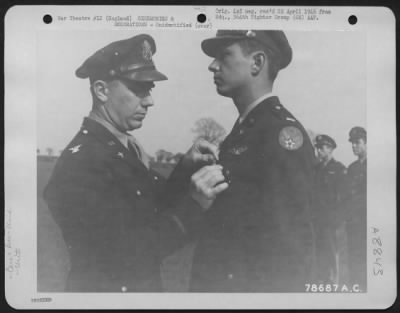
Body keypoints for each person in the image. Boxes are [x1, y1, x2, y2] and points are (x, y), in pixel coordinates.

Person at [43, 34, 227, 292]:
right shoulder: (83, 163)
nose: (150, 100)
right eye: (138, 89)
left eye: (149, 89)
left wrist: (186, 166)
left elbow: (152, 204)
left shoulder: (119, 149)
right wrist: (195, 205)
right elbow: (131, 253)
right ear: (102, 91)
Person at [187, 30, 316, 292]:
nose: (213, 65)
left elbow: (289, 252)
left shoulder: (279, 134)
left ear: (257, 63)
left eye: (224, 56)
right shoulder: (246, 129)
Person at [313, 134, 347, 283]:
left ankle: (333, 284)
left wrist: (337, 220)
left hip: (331, 222)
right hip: (317, 220)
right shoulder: (316, 169)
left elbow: (343, 198)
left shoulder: (339, 169)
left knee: (332, 253)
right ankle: (322, 282)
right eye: (317, 148)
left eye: (322, 148)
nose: (318, 151)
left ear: (330, 149)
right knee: (319, 253)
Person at [345, 126, 367, 290]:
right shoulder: (352, 168)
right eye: (352, 143)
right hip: (353, 222)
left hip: (368, 221)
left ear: (366, 143)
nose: (354, 146)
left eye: (357, 142)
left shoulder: (374, 166)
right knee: (354, 258)